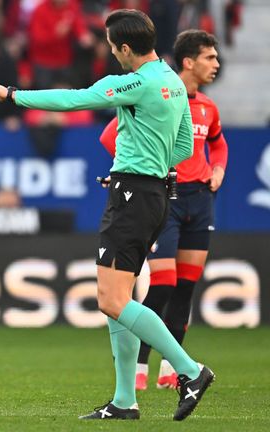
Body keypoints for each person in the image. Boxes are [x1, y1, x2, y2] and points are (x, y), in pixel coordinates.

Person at [0, 9, 214, 421]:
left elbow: (73, 99)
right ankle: (124, 401)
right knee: (116, 299)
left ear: (124, 47)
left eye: (110, 44)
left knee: (112, 299)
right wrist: (140, 163)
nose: (109, 51)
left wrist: (12, 94)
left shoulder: (133, 82)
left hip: (133, 197)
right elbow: (183, 150)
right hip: (156, 194)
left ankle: (190, 371)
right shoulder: (175, 83)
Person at [99, 29, 227, 391]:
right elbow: (111, 136)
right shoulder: (160, 91)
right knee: (163, 285)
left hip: (196, 199)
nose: (216, 64)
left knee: (184, 287)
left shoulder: (205, 107)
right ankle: (144, 370)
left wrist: (217, 170)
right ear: (189, 62)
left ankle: (174, 370)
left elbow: (216, 146)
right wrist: (133, 165)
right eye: (210, 57)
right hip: (165, 196)